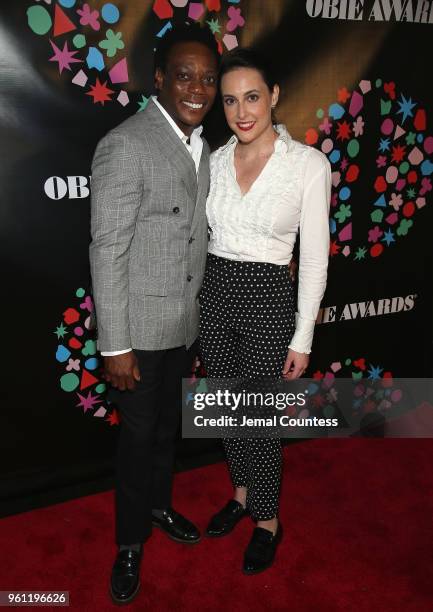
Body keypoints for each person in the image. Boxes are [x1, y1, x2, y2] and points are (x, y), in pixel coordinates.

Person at [89, 24, 219, 605]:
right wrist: (114, 344)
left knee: (167, 429)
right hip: (136, 332)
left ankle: (161, 506)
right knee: (139, 438)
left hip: (180, 324)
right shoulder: (126, 144)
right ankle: (130, 542)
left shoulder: (204, 146)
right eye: (185, 75)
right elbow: (108, 248)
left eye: (209, 78)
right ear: (160, 79)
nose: (199, 88)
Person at [199, 48, 331, 575]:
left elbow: (316, 258)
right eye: (230, 100)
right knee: (225, 407)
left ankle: (269, 520)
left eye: (252, 97)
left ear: (274, 96)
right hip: (215, 295)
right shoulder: (212, 161)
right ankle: (241, 492)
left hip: (269, 298)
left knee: (258, 419)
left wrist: (303, 337)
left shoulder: (308, 165)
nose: (241, 111)